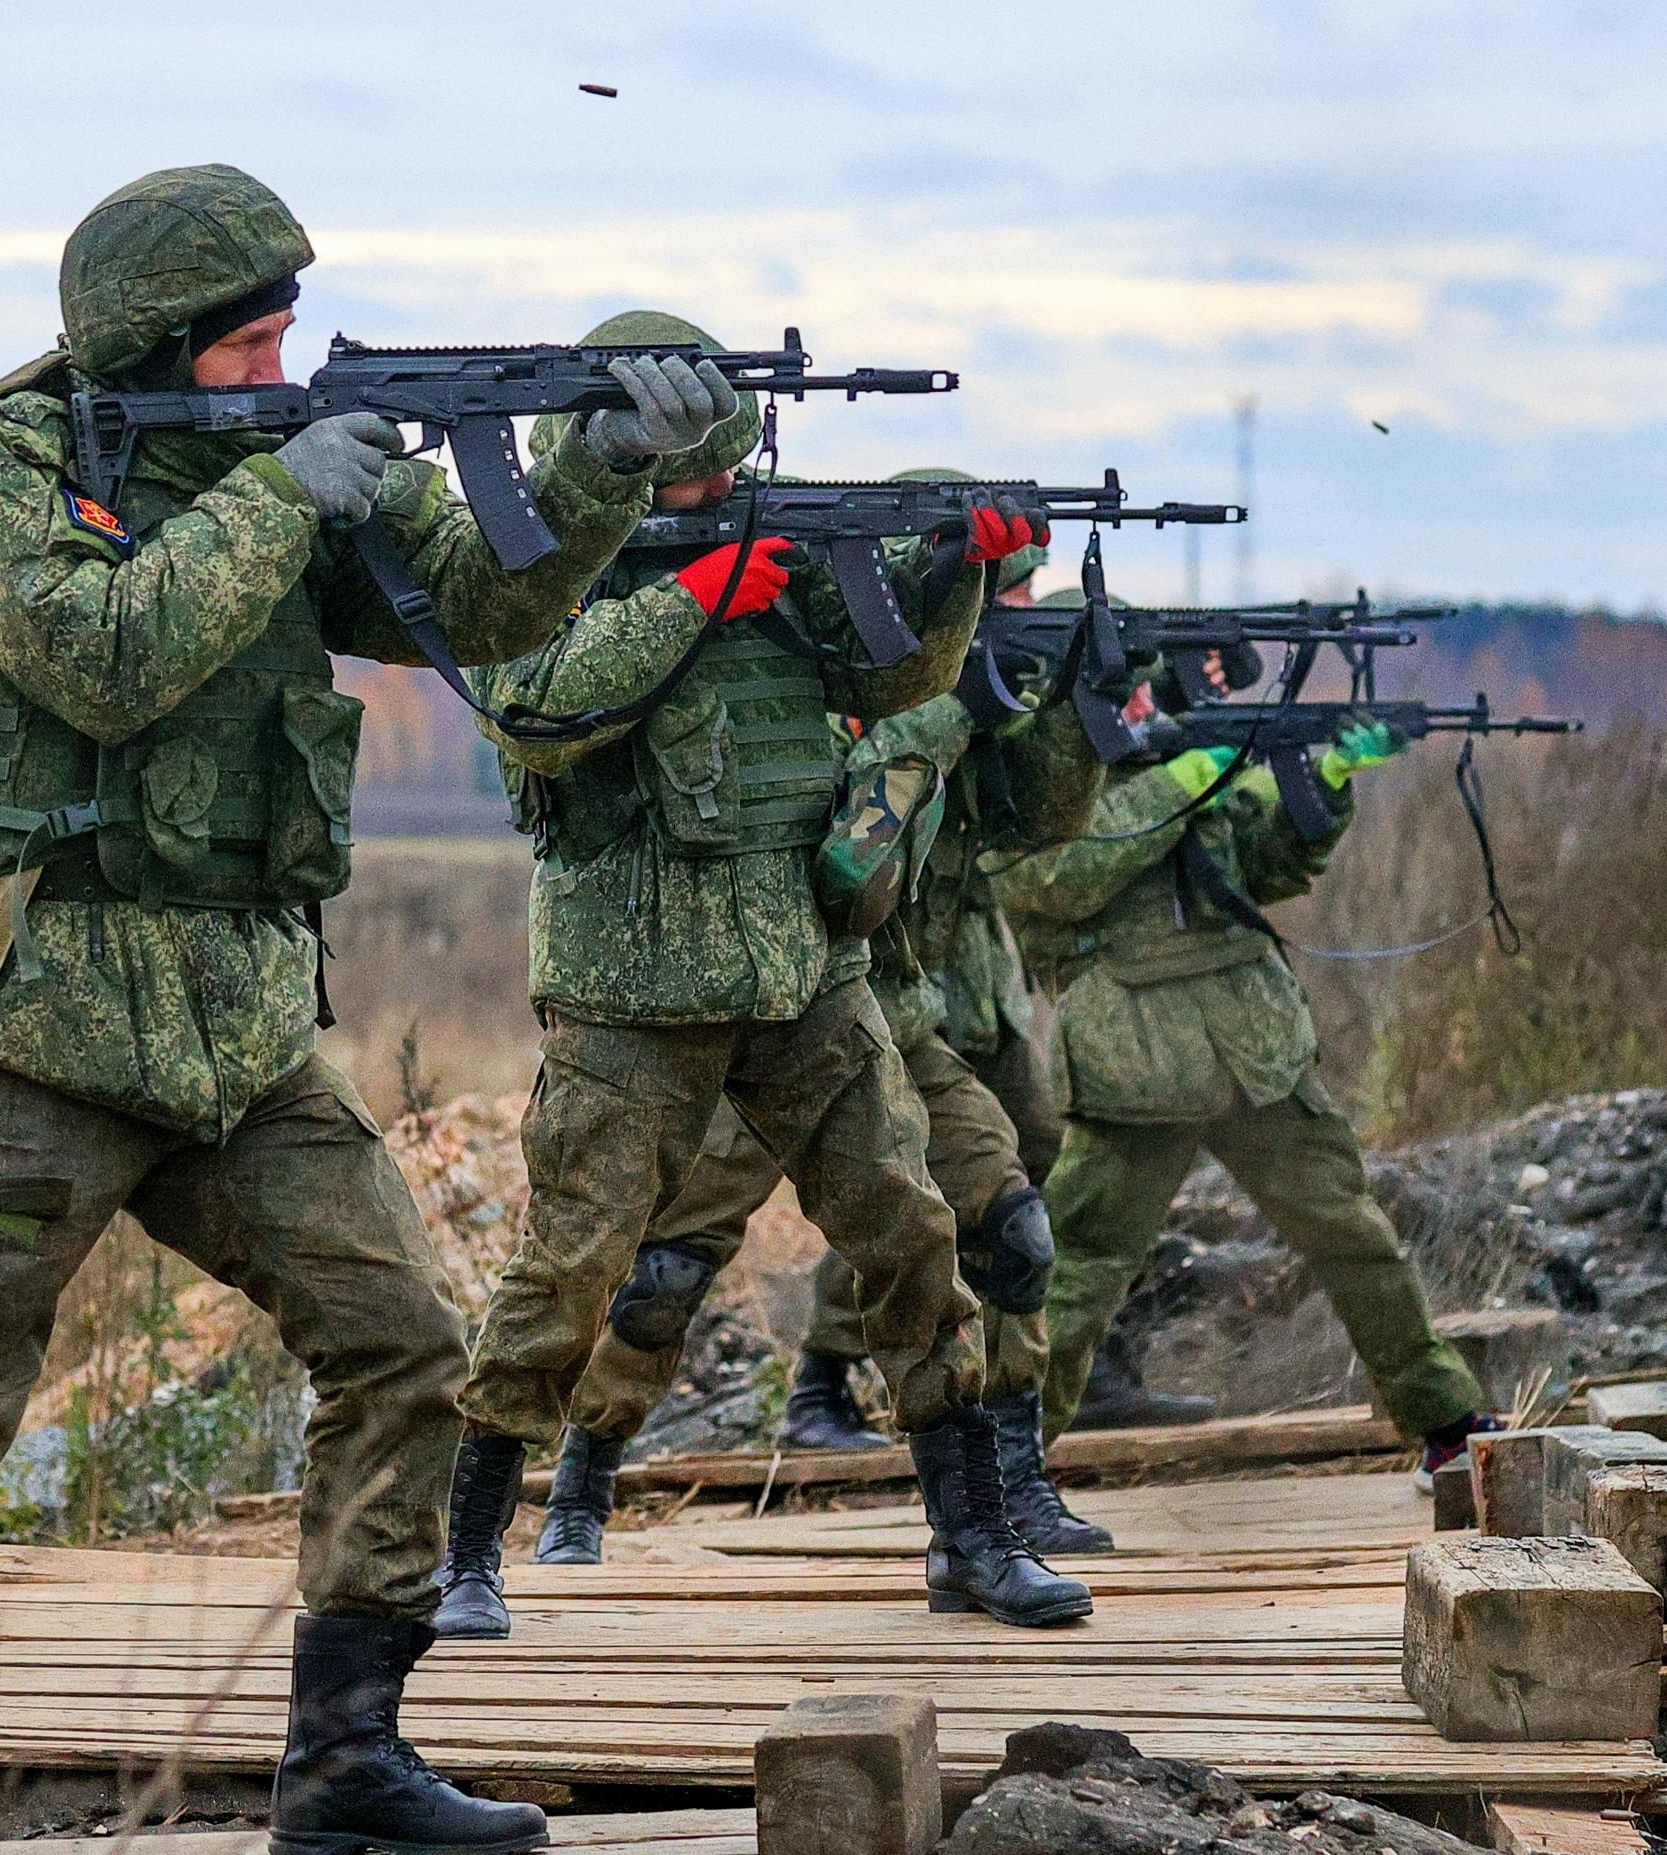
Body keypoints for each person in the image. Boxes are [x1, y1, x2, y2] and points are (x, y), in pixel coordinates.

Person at [0, 167, 728, 1855]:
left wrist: (602, 468)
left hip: (238, 1041)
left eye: (291, 333)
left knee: (402, 1351)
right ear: (156, 342)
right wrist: (283, 494)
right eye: (252, 340)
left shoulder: (276, 462)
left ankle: (346, 1764)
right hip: (39, 1024)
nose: (280, 364)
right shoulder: (8, 472)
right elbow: (102, 654)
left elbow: (490, 616)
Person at [441, 325, 1093, 1642]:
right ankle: (467, 1552)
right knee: (572, 1268)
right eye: (668, 475)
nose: (692, 496)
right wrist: (694, 597)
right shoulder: (542, 572)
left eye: (707, 471)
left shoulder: (767, 555)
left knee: (913, 1233)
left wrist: (948, 572)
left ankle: (972, 1536)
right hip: (631, 988)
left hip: (802, 971)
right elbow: (535, 710)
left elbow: (890, 675)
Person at [534, 534, 1120, 1566]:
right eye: (989, 589)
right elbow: (847, 861)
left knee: (1010, 1230)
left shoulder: (960, 699)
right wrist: (945, 716)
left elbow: (1043, 818)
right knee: (663, 1271)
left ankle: (1010, 1484)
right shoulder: (841, 673)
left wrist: (1081, 708)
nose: (1005, 609)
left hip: (895, 1019)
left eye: (1012, 590)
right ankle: (583, 1477)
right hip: (772, 1008)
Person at [991, 677, 1499, 1482]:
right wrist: (1190, 777)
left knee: (1352, 1233)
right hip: (1140, 1061)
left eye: (1146, 689)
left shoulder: (1180, 763)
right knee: (1080, 1267)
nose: (1142, 705)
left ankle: (1446, 1421)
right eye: (1121, 692)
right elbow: (1054, 879)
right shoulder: (1033, 788)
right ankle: (1003, 1468)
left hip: (1253, 1047)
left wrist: (1323, 779)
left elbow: (1261, 867)